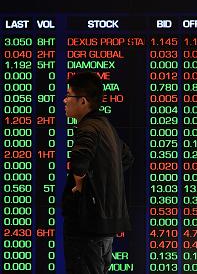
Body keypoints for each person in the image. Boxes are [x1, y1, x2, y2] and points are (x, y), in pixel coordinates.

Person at [62, 71, 134, 274]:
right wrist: (103, 184)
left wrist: (80, 188)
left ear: (82, 101)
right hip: (104, 228)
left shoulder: (88, 128)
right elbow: (127, 158)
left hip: (86, 229)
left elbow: (78, 162)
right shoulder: (106, 126)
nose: (64, 100)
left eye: (69, 95)